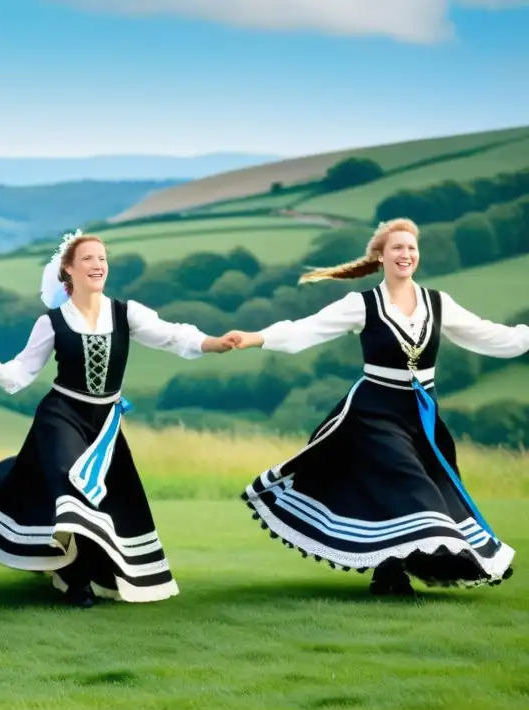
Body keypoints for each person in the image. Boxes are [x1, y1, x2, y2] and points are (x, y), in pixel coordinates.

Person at [226, 217, 527, 596]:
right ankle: (391, 573)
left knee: (423, 490)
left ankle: (388, 571)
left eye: (412, 248)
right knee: (409, 485)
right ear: (380, 257)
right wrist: (255, 337)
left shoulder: (438, 303)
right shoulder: (362, 304)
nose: (406, 254)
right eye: (397, 248)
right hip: (374, 412)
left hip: (422, 417)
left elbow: (491, 336)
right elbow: (305, 330)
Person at [0, 230, 235, 606]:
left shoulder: (126, 313)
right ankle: (75, 579)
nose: (98, 265)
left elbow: (173, 337)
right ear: (68, 270)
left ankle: (80, 569)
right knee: (70, 486)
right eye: (88, 259)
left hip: (105, 424)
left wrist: (215, 343)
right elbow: (17, 376)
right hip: (61, 416)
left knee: (107, 499)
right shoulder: (53, 322)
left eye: (102, 258)